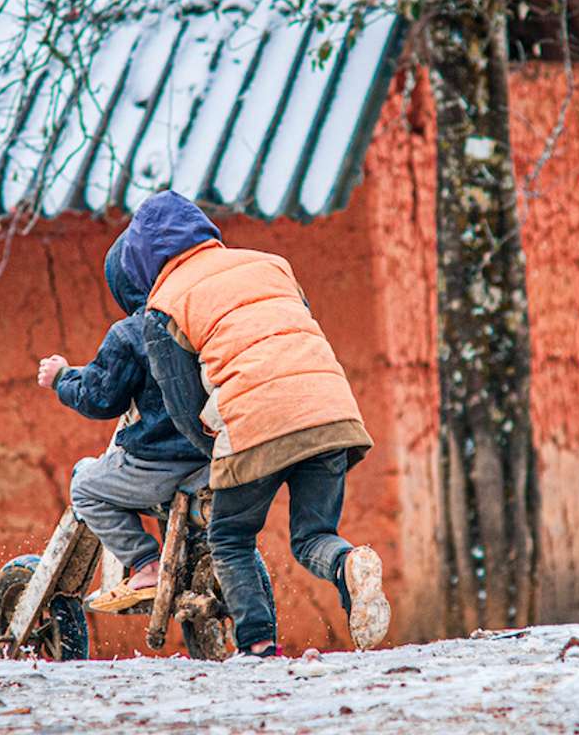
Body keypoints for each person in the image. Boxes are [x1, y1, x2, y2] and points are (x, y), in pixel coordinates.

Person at [119, 190, 391, 655]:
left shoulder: (163, 304)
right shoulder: (270, 263)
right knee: (313, 537)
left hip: (256, 421)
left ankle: (258, 645)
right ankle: (347, 564)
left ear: (142, 259)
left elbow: (184, 404)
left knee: (230, 537)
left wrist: (216, 454)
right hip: (331, 411)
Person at [36, 233, 208, 613]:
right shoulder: (203, 315)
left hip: (162, 463)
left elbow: (100, 397)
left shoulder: (131, 332)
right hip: (210, 458)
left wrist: (62, 378)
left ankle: (146, 564)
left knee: (87, 485)